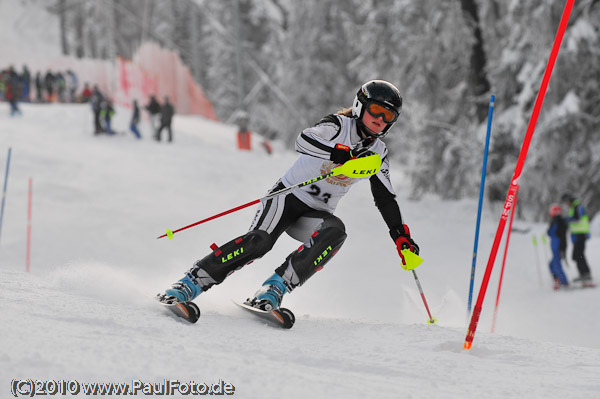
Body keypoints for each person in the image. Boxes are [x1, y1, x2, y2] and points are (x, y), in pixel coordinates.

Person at [158, 80, 420, 313]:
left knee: (336, 232)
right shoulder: (337, 125)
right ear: (361, 106)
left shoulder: (378, 153)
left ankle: (274, 288)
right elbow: (303, 141)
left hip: (315, 213)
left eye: (388, 115)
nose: (381, 119)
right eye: (376, 110)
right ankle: (190, 282)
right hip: (286, 199)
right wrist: (341, 154)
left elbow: (385, 198)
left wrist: (401, 237)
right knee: (259, 242)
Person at [561, 193, 592, 284]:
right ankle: (584, 273)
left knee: (578, 255)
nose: (565, 204)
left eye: (565, 202)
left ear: (569, 200)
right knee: (577, 255)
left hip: (580, 234)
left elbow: (577, 218)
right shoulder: (574, 207)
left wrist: (566, 220)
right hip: (577, 235)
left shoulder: (577, 207)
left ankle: (586, 274)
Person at [547, 204, 568, 290]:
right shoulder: (554, 221)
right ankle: (557, 279)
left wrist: (562, 249)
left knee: (556, 265)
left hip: (559, 247)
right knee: (552, 265)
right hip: (554, 247)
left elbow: (562, 236)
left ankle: (564, 282)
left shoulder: (560, 221)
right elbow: (550, 232)